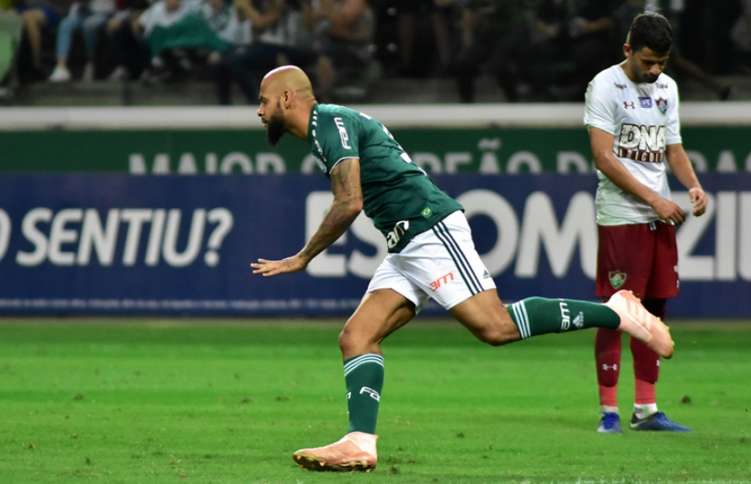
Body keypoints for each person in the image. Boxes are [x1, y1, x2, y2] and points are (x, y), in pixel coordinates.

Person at [250, 64, 675, 472]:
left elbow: (349, 201)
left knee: (495, 327)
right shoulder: (328, 129)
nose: (260, 110)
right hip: (405, 243)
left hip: (428, 227)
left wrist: (303, 257)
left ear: (288, 98)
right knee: (357, 337)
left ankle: (616, 311)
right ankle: (360, 443)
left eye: (264, 100)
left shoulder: (329, 123)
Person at [583, 11, 708, 434]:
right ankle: (608, 412)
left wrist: (692, 185)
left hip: (658, 217)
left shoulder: (668, 89)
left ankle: (646, 410)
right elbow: (603, 155)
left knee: (654, 311)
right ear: (627, 51)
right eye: (648, 62)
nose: (655, 71)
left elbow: (672, 147)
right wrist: (655, 199)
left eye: (662, 63)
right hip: (622, 215)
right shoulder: (604, 85)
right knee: (618, 311)